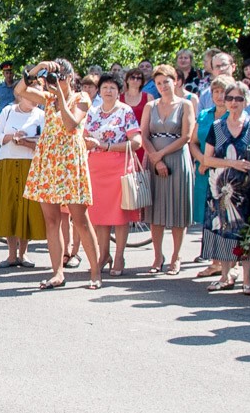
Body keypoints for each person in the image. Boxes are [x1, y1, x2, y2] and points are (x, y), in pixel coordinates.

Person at [20, 59, 103, 289]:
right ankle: (57, 272)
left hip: (69, 163)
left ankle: (95, 273)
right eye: (50, 80)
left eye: (58, 79)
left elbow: (70, 124)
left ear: (69, 78)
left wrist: (61, 98)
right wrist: (36, 69)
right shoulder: (48, 99)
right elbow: (20, 90)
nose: (51, 84)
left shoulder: (82, 98)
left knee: (80, 220)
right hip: (48, 162)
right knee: (51, 220)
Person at [200, 81, 250, 295]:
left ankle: (247, 278)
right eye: (230, 98)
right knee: (222, 229)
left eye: (238, 98)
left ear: (246, 101)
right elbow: (208, 159)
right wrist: (233, 163)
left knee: (247, 232)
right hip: (220, 187)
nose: (234, 102)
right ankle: (225, 275)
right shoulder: (217, 127)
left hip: (247, 189)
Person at [83, 73, 142, 275]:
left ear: (119, 92)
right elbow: (83, 137)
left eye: (113, 88)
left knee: (119, 215)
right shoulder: (92, 112)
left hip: (118, 166)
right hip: (96, 168)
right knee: (99, 215)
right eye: (105, 87)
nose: (108, 91)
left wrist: (108, 146)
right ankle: (103, 254)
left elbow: (136, 141)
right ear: (99, 90)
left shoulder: (125, 111)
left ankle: (119, 256)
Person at [140, 64, 195, 274]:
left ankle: (176, 255)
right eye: (159, 83)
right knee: (155, 211)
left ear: (176, 81)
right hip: (154, 159)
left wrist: (161, 156)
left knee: (177, 210)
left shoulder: (185, 105)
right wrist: (155, 159)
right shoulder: (150, 106)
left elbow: (186, 136)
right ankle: (157, 256)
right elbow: (144, 135)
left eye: (166, 81)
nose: (163, 86)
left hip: (177, 160)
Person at [0, 89, 45, 268]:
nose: (35, 100)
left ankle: (24, 253)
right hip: (8, 163)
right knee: (9, 207)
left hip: (30, 164)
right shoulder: (8, 111)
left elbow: (45, 143)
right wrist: (12, 137)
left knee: (27, 209)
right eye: (31, 96)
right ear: (20, 96)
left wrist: (27, 142)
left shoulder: (41, 115)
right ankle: (11, 254)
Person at [189, 76, 231, 276]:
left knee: (228, 217)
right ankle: (215, 262)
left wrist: (210, 161)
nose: (220, 96)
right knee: (210, 217)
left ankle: (232, 264)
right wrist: (202, 160)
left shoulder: (234, 116)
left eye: (224, 92)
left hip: (227, 173)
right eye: (216, 91)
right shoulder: (205, 115)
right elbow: (193, 141)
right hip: (205, 171)